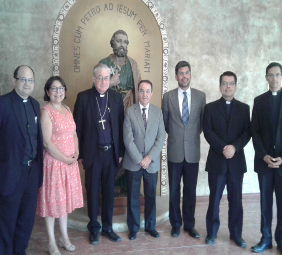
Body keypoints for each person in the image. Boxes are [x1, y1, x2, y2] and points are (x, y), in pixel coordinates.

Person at [0, 65, 43, 254]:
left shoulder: (35, 104)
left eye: (30, 80)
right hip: (9, 173)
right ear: (14, 81)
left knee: (26, 220)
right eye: (23, 79)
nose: (26, 84)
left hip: (31, 174)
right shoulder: (1, 103)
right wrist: (1, 160)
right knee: (5, 222)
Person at [251, 62, 282, 255]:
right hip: (264, 163)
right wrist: (263, 155)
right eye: (270, 75)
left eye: (277, 75)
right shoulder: (259, 101)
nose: (274, 78)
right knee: (265, 204)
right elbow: (254, 131)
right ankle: (265, 240)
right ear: (266, 78)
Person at [73, 63, 125, 245]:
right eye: (100, 77)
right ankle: (94, 228)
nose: (103, 81)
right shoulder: (84, 98)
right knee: (93, 192)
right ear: (93, 79)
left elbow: (120, 127)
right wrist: (79, 152)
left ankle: (108, 228)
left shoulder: (117, 98)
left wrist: (120, 153)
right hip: (92, 155)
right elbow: (77, 128)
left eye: (106, 77)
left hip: (111, 154)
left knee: (109, 193)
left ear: (110, 79)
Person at [202, 71, 251, 247]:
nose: (227, 86)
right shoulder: (210, 107)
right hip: (217, 161)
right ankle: (212, 233)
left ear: (235, 86)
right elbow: (207, 131)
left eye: (231, 83)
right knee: (214, 199)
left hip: (236, 163)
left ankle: (236, 234)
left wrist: (234, 147)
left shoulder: (244, 108)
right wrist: (223, 147)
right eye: (224, 83)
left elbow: (247, 132)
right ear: (220, 86)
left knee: (236, 200)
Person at [36, 76, 83, 255]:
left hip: (69, 165)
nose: (58, 92)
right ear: (47, 92)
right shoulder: (45, 111)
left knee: (63, 203)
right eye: (54, 89)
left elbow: (74, 134)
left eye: (61, 88)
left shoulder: (66, 108)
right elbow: (47, 143)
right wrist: (65, 158)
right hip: (54, 165)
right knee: (52, 204)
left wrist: (76, 152)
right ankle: (51, 242)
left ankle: (64, 237)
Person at [162, 60, 206, 238]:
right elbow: (166, 123)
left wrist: (189, 137)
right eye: (181, 73)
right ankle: (175, 224)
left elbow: (202, 123)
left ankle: (189, 224)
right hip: (174, 151)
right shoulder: (168, 97)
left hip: (192, 152)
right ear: (176, 76)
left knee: (190, 190)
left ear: (190, 75)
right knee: (174, 190)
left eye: (187, 73)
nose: (184, 76)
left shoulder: (200, 96)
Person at [123, 80, 166, 241]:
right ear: (137, 92)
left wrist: (149, 158)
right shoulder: (129, 111)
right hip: (133, 162)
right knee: (133, 197)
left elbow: (161, 137)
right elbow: (128, 139)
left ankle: (150, 226)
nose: (144, 94)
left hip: (151, 163)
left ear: (151, 93)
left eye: (148, 91)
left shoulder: (158, 112)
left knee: (150, 196)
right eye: (142, 91)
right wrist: (140, 159)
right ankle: (133, 228)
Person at [99, 29, 141, 109]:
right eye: (119, 41)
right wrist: (109, 83)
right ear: (112, 43)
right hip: (108, 106)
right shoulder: (103, 63)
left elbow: (138, 89)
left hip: (129, 106)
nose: (122, 45)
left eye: (125, 42)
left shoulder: (133, 64)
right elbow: (94, 90)